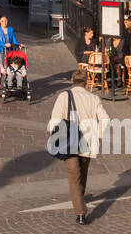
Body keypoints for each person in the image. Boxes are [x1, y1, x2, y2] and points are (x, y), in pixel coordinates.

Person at [47, 71, 111, 225]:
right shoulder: (94, 98)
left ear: (72, 80)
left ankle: (80, 212)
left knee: (74, 178)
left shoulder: (64, 96)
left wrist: (54, 135)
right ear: (86, 81)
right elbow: (106, 119)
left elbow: (55, 119)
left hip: (69, 142)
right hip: (88, 142)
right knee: (82, 174)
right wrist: (99, 135)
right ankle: (79, 202)